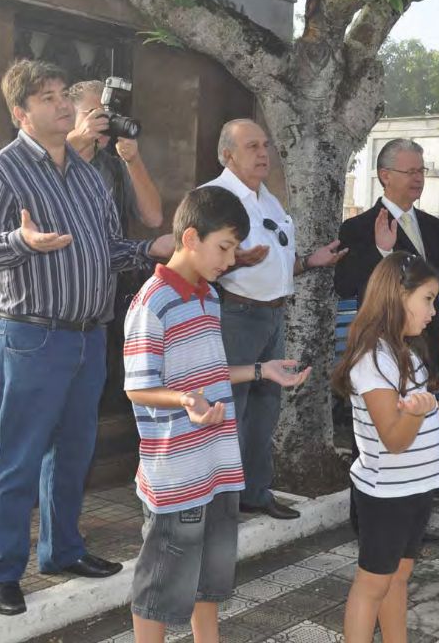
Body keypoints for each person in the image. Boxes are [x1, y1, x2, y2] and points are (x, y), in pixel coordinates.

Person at [0, 59, 172, 616]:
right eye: (47, 98)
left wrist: (150, 250)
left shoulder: (87, 176)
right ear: (20, 113)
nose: (60, 104)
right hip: (31, 336)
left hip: (88, 336)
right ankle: (2, 571)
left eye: (61, 95)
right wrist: (22, 241)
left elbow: (108, 250)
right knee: (18, 457)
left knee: (74, 451)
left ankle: (62, 550)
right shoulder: (0, 171)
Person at [123, 186, 311, 643]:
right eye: (225, 247)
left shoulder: (207, 296)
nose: (230, 260)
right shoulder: (153, 302)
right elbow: (138, 386)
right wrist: (186, 401)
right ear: (190, 238)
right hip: (177, 475)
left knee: (209, 579)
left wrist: (261, 371)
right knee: (161, 586)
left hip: (218, 467)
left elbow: (209, 372)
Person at [331, 252, 439, 643]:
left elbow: (433, 418)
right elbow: (394, 439)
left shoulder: (406, 353)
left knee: (399, 578)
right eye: (427, 299)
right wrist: (412, 415)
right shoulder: (373, 360)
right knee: (372, 584)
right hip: (386, 495)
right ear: (397, 295)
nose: (433, 312)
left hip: (415, 489)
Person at [334, 138, 439, 541]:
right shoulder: (358, 227)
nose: (418, 179)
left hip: (425, 345)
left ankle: (413, 516)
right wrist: (378, 250)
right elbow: (345, 284)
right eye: (410, 172)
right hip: (383, 348)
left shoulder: (431, 226)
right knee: (377, 434)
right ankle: (368, 523)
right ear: (385, 176)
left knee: (422, 424)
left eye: (422, 171)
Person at [203, 118, 347, 520]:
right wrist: (235, 260)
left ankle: (256, 491)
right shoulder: (213, 198)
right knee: (228, 408)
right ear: (228, 154)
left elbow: (278, 261)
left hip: (272, 315)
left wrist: (310, 262)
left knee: (265, 412)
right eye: (252, 146)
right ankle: (221, 500)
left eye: (265, 144)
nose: (264, 153)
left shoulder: (268, 199)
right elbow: (195, 260)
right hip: (235, 314)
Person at [67, 79, 164, 410]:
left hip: (98, 318)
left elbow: (153, 217)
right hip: (49, 323)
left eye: (107, 113)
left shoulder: (111, 167)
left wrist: (133, 160)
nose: (102, 122)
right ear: (68, 116)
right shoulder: (44, 159)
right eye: (93, 113)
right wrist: (75, 141)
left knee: (82, 425)